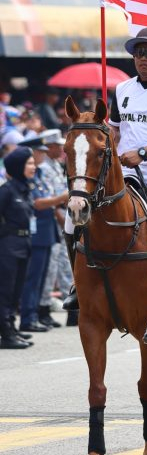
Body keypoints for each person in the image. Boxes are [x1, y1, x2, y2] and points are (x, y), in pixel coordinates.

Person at [62, 28, 147, 343]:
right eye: (138, 53)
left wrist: (142, 153)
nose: (142, 59)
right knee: (75, 218)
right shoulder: (122, 88)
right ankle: (78, 285)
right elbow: (112, 132)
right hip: (126, 172)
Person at [17, 136, 67, 333]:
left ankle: (34, 315)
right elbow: (39, 203)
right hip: (37, 232)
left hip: (46, 231)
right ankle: (29, 317)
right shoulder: (29, 177)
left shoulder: (37, 175)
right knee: (33, 277)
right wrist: (61, 198)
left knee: (42, 276)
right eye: (39, 152)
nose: (42, 155)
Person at [0, 148, 38, 349]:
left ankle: (11, 328)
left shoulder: (24, 188)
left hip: (24, 245)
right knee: (5, 291)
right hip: (8, 247)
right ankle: (5, 334)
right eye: (29, 163)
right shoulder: (6, 190)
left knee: (16, 291)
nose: (34, 167)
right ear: (18, 167)